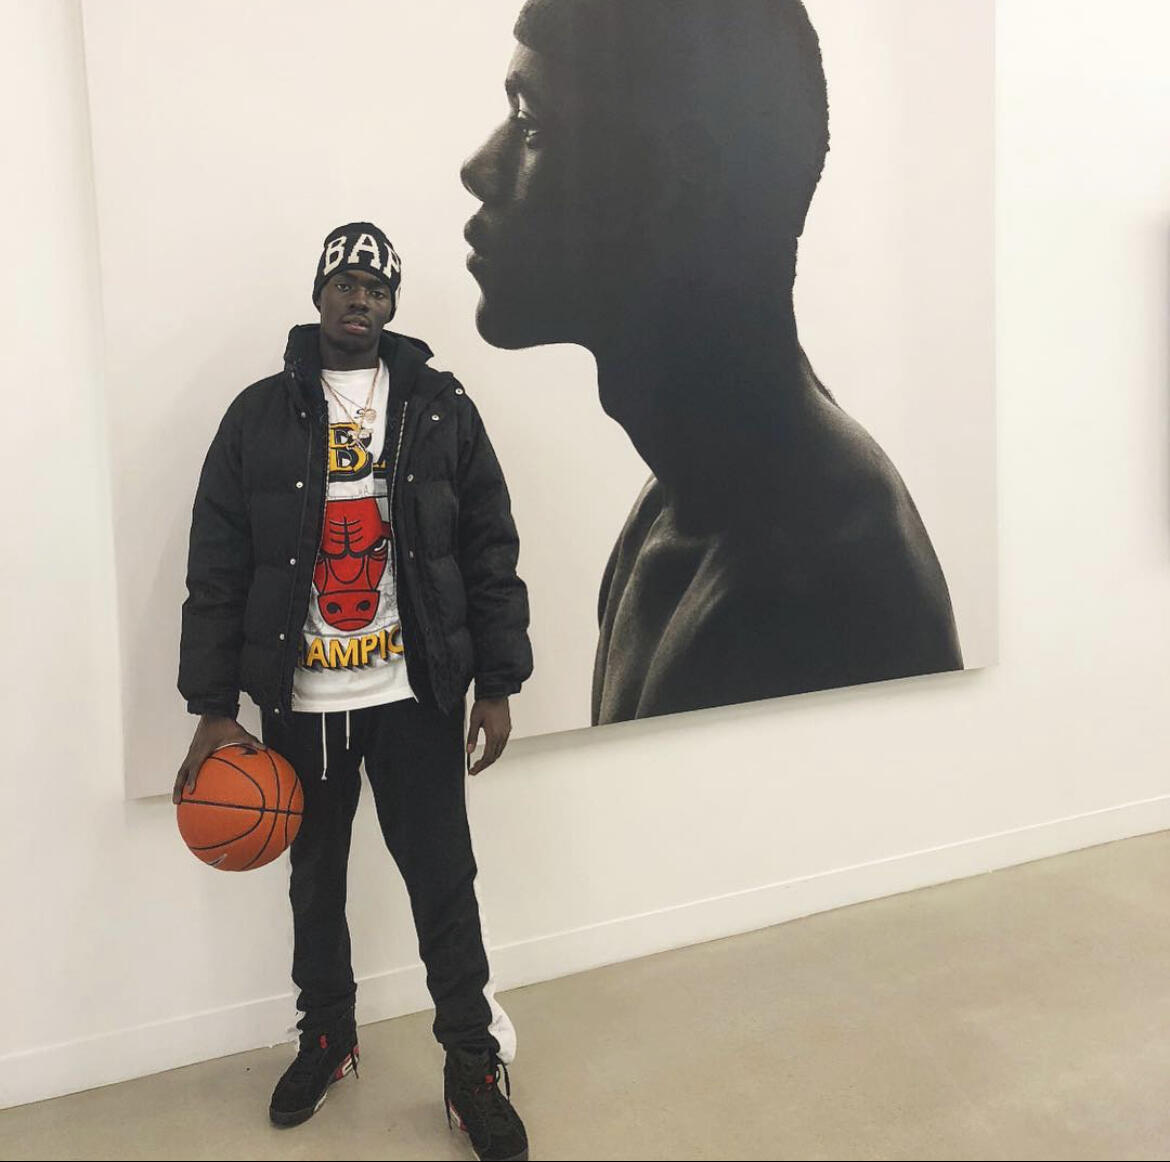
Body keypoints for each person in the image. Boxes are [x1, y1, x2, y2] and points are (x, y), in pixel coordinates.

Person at [461, 0, 962, 726]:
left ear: (678, 179)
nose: (480, 168)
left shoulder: (804, 583)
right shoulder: (676, 509)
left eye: (532, 122)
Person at [174, 221, 532, 1162]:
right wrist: (213, 708)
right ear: (320, 295)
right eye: (346, 283)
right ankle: (328, 1036)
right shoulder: (258, 415)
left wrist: (498, 681)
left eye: (376, 287)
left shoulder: (441, 408)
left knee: (443, 882)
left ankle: (471, 1064)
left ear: (393, 304)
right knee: (315, 882)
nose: (360, 299)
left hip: (415, 694)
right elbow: (217, 565)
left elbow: (489, 546)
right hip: (303, 702)